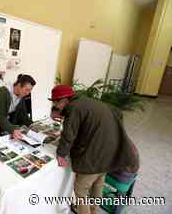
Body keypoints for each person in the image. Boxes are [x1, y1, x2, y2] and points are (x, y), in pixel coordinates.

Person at [49, 85, 139, 214]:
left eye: (56, 104)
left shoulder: (73, 108)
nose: (56, 106)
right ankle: (94, 211)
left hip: (96, 154)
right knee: (98, 182)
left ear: (63, 100)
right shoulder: (85, 101)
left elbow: (69, 135)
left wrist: (60, 154)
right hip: (110, 151)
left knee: (80, 189)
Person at [0, 74, 36, 139]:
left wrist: (34, 125)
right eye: (27, 90)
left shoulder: (21, 95)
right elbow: (0, 116)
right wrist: (13, 129)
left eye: (30, 90)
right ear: (19, 85)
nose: (28, 93)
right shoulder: (2, 92)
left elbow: (24, 116)